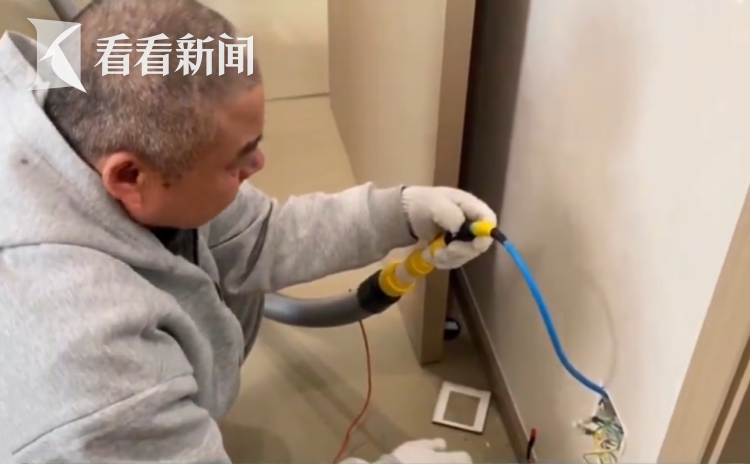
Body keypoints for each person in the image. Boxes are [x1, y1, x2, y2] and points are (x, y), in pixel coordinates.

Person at [0, 0, 496, 462]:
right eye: (237, 160)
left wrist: (400, 212)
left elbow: (256, 236)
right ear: (130, 177)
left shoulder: (67, 88)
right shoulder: (94, 373)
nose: (259, 165)